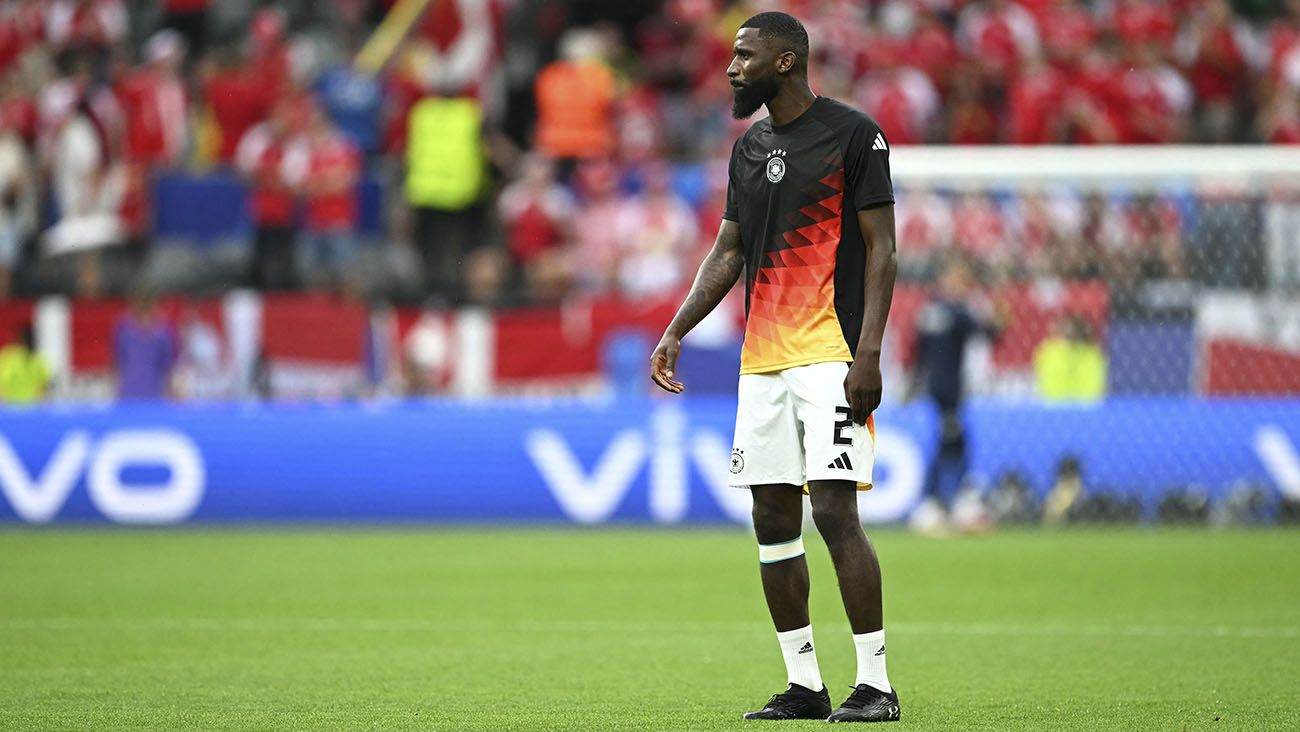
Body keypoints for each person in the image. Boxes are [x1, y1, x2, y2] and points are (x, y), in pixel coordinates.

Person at [650, 12, 900, 723]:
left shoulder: (854, 135)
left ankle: (876, 685)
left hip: (829, 352)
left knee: (833, 511)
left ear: (785, 62)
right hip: (762, 358)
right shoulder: (749, 147)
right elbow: (729, 250)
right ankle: (804, 685)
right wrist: (676, 329)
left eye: (743, 55)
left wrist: (870, 351)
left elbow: (883, 249)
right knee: (770, 517)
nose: (730, 68)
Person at [907, 258, 1004, 534]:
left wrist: (913, 382)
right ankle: (938, 501)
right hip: (950, 390)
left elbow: (918, 352)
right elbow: (988, 335)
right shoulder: (959, 312)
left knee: (951, 440)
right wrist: (999, 318)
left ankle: (940, 502)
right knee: (953, 443)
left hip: (935, 388)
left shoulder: (929, 312)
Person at [0, 323, 51, 404]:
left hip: (30, 409)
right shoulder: (7, 356)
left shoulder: (40, 361)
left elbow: (44, 386)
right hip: (11, 408)